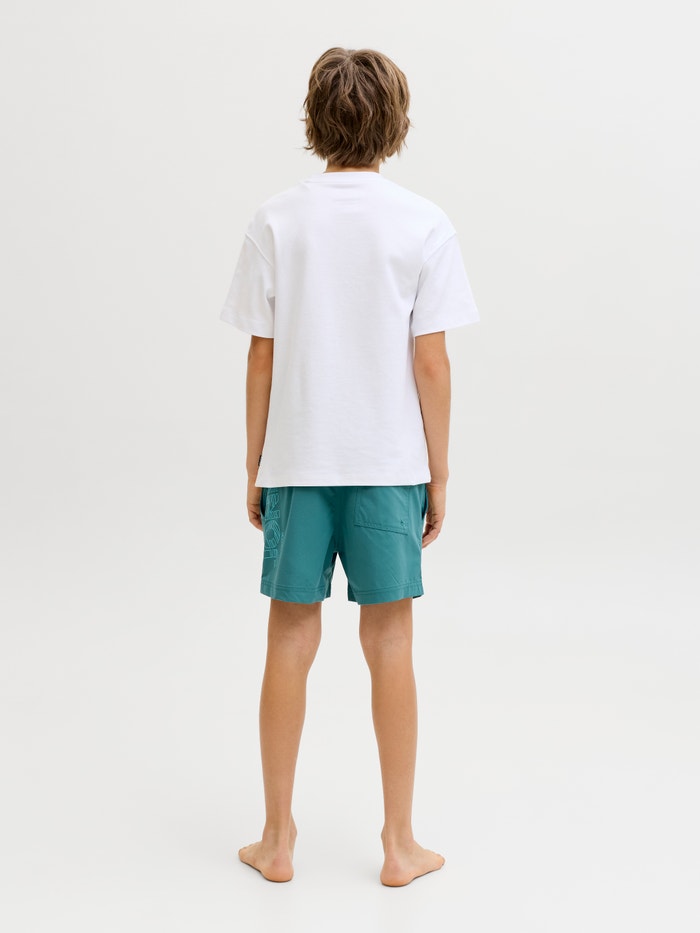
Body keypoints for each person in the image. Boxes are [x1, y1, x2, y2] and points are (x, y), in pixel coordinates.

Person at [219, 46, 480, 886]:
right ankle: (400, 843)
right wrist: (439, 473)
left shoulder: (277, 220)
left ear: (314, 119)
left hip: (298, 463)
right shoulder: (422, 223)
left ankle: (276, 838)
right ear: (396, 123)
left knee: (290, 637)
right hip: (387, 465)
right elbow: (431, 362)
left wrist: (256, 464)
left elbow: (261, 357)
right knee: (391, 641)